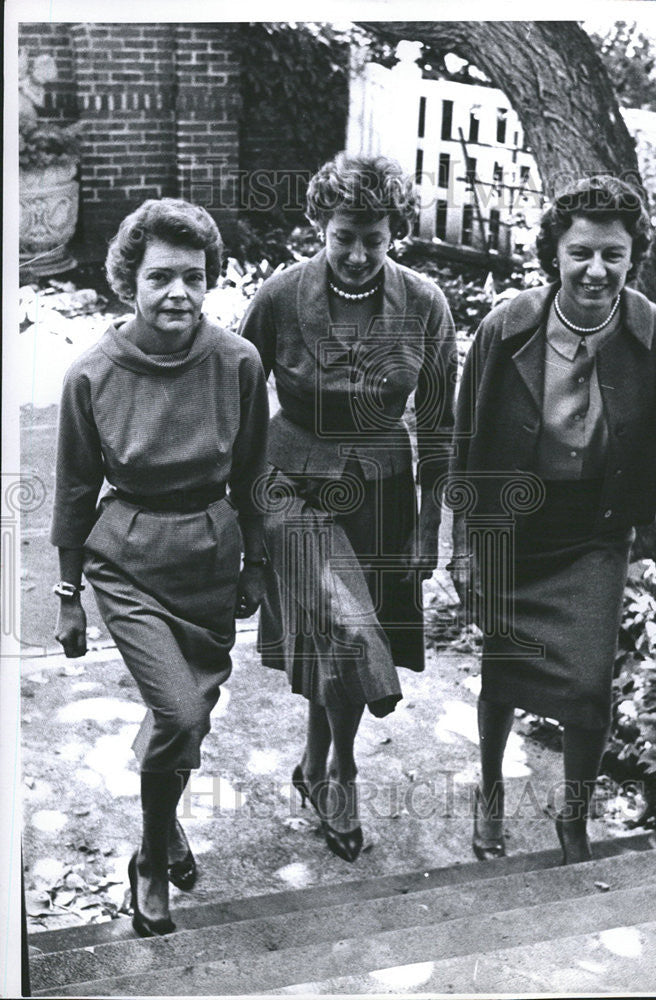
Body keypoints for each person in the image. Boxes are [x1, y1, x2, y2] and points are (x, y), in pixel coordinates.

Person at [448, 175, 656, 864]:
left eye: (612, 255)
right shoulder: (507, 327)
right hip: (511, 525)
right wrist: (464, 545)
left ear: (630, 257)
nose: (596, 270)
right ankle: (490, 797)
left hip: (593, 531)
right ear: (553, 255)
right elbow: (464, 443)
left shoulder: (655, 335)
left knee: (587, 691)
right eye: (581, 252)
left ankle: (573, 816)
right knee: (502, 674)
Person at [51, 198, 269, 935]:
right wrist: (66, 592)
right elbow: (77, 489)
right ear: (129, 281)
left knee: (188, 718)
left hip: (211, 552)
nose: (179, 293)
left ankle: (162, 811)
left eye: (194, 277)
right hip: (128, 558)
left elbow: (253, 476)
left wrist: (256, 565)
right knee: (178, 712)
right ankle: (150, 858)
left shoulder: (239, 362)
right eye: (161, 277)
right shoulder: (91, 375)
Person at [238, 153, 457, 862]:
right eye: (344, 238)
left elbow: (439, 421)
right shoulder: (276, 299)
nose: (359, 254)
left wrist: (429, 525)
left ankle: (317, 761)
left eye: (375, 238)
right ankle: (347, 772)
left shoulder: (425, 304)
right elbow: (239, 401)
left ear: (396, 232)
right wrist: (243, 522)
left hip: (385, 491)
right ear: (318, 227)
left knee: (333, 641)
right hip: (292, 487)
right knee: (350, 624)